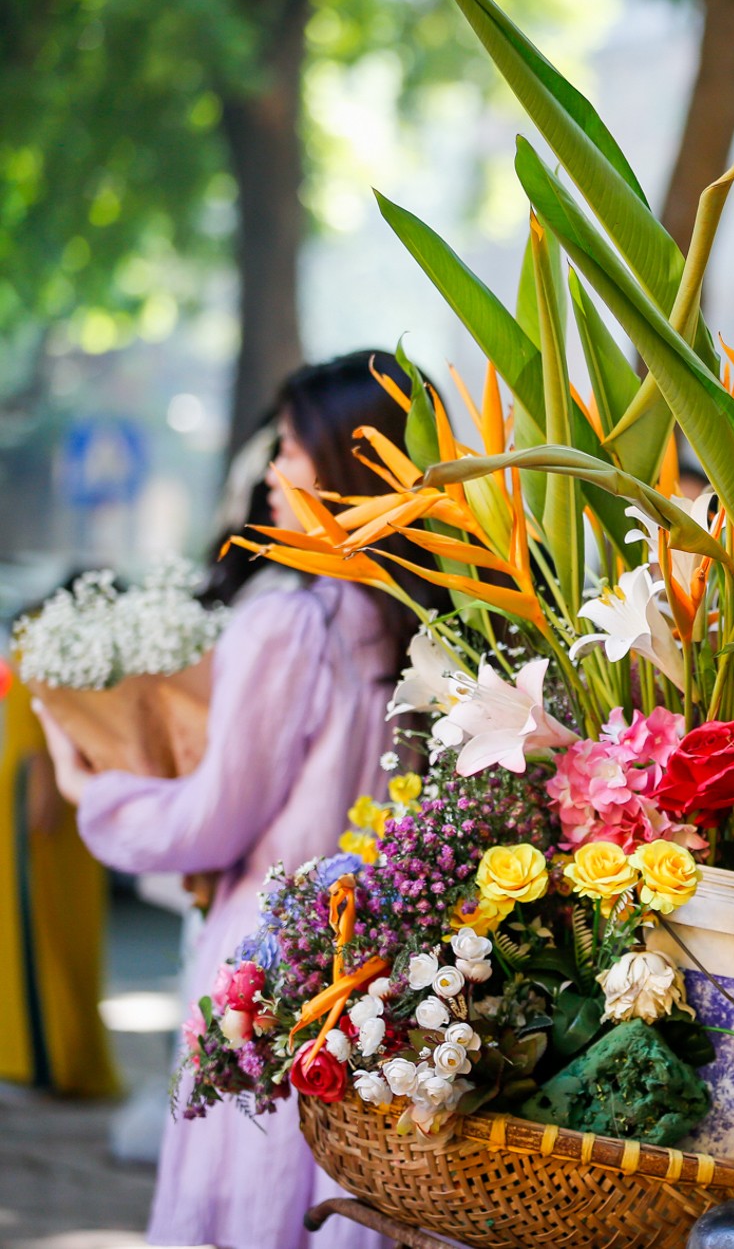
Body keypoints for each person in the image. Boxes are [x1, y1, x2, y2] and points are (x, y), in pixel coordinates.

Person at [37, 350, 442, 1249]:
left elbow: (211, 820)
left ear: (350, 467)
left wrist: (93, 790)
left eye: (292, 448)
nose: (271, 470)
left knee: (253, 1205)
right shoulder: (432, 623)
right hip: (388, 985)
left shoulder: (291, 623)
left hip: (266, 972)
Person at [0, 655, 119, 1098]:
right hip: (56, 792)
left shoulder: (48, 637)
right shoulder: (48, 636)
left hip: (57, 793)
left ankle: (46, 1062)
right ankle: (45, 1059)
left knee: (50, 927)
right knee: (46, 928)